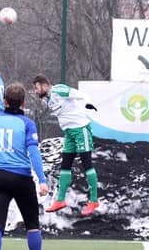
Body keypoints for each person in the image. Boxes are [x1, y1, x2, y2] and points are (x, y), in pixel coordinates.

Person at [0, 83, 50, 250]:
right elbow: (33, 152)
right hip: (22, 178)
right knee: (32, 224)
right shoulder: (27, 123)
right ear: (23, 103)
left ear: (4, 101)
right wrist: (42, 180)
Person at [32, 75, 101, 216]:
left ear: (45, 85)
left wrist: (88, 103)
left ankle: (94, 201)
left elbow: (81, 95)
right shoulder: (47, 99)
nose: (36, 91)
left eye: (37, 88)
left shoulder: (59, 90)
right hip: (69, 132)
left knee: (87, 164)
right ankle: (60, 200)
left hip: (80, 129)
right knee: (65, 165)